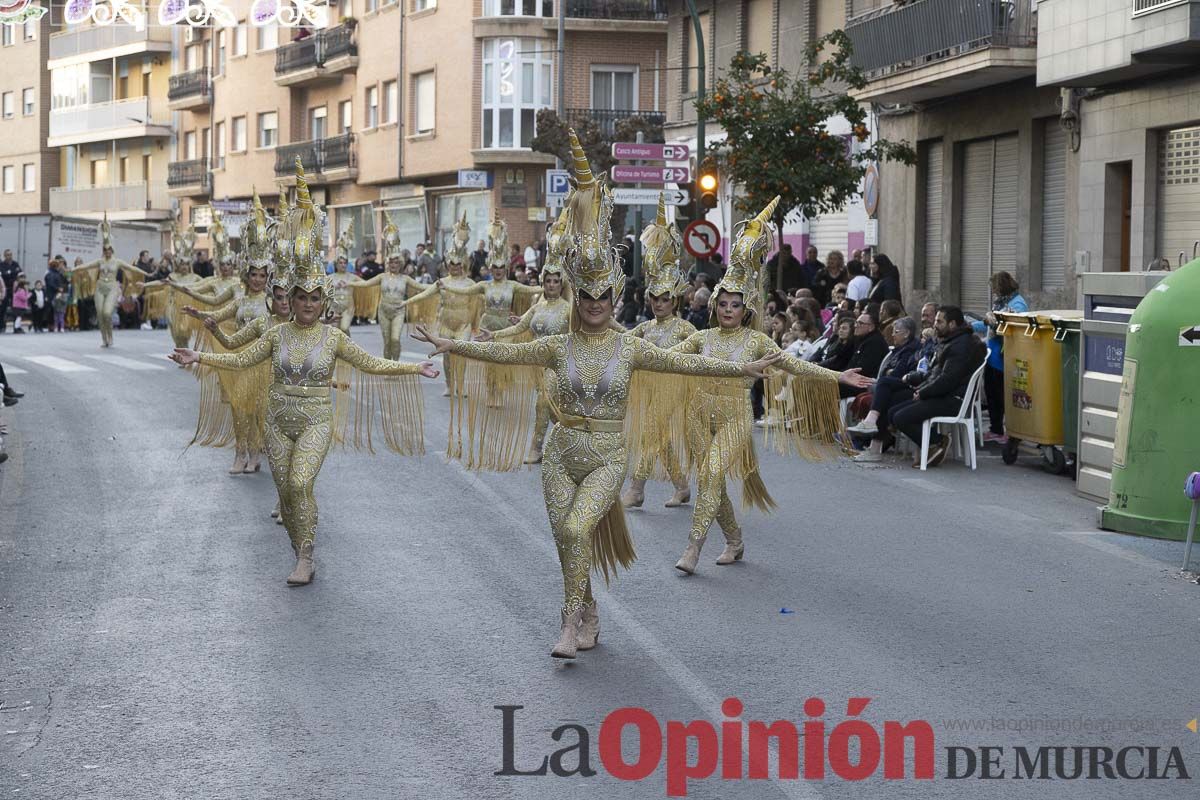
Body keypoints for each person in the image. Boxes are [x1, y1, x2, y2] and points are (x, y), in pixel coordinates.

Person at [413, 134, 786, 658]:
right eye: (585, 295)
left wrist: (743, 366)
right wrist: (451, 343)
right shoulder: (555, 344)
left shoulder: (630, 347)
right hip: (561, 455)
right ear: (576, 295)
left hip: (608, 455)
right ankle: (583, 612)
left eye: (602, 295)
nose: (592, 303)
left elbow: (685, 360)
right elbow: (506, 354)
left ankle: (571, 619)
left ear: (615, 296)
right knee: (568, 538)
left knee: (576, 525)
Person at [171, 158, 440, 586]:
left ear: (323, 303)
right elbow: (242, 359)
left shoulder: (333, 339)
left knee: (299, 484)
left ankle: (308, 554)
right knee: (285, 490)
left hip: (315, 420)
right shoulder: (276, 335)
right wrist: (200, 357)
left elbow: (371, 363)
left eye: (316, 299)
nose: (308, 305)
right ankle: (299, 549)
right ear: (290, 300)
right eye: (301, 298)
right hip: (277, 419)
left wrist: (413, 367)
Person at [666, 196, 869, 575]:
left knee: (711, 474)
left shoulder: (757, 342)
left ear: (747, 309)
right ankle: (734, 539)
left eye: (735, 304)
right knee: (712, 481)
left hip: (734, 415)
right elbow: (668, 358)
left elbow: (793, 365)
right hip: (697, 412)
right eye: (723, 303)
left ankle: (693, 548)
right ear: (714, 305)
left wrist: (837, 376)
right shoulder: (701, 336)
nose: (728, 309)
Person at [179, 194, 276, 475]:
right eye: (254, 275)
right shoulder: (241, 301)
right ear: (246, 275)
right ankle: (240, 452)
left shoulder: (272, 302)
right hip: (241, 360)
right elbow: (217, 315)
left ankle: (256, 452)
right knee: (238, 407)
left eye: (262, 275)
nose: (258, 279)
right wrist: (199, 316)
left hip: (266, 364)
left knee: (259, 409)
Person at [474, 206, 574, 465]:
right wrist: (493, 337)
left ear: (561, 284)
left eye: (555, 281)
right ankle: (573, 439)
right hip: (537, 365)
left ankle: (536, 448)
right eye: (548, 281)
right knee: (552, 410)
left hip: (558, 366)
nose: (551, 285)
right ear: (543, 282)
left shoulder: (569, 310)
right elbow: (518, 328)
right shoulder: (537, 307)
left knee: (542, 404)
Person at [620, 194, 698, 510]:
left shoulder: (684, 329)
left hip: (675, 389)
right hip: (650, 389)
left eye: (664, 299)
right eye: (654, 298)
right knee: (658, 437)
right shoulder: (647, 327)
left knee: (649, 433)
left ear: (674, 301)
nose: (658, 303)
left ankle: (636, 489)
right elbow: (623, 337)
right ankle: (681, 486)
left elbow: (700, 351)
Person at [858, 306, 986, 468]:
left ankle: (938, 441)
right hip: (939, 393)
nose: (935, 325)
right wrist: (917, 383)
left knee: (900, 417)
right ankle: (875, 446)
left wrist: (923, 392)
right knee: (892, 411)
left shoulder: (960, 346)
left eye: (939, 321)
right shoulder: (949, 341)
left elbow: (947, 380)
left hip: (953, 399)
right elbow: (934, 373)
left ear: (952, 324)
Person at [439, 213, 541, 333]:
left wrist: (551, 286)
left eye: (501, 267)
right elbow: (464, 291)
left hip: (506, 329)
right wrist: (445, 286)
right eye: (495, 267)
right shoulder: (484, 285)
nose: (498, 270)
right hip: (485, 327)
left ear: (506, 268)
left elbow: (532, 289)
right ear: (490, 268)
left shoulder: (513, 285)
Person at [70, 216, 158, 347]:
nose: (107, 252)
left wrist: (147, 273)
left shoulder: (117, 262)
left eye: (109, 250)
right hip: (100, 288)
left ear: (112, 250)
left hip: (112, 288)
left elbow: (132, 268)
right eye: (105, 250)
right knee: (100, 314)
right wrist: (73, 269)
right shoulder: (99, 261)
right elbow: (86, 266)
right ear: (103, 251)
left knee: (106, 313)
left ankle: (110, 336)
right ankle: (104, 338)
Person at [846, 316, 923, 462]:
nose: (892, 334)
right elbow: (888, 371)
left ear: (906, 333)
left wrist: (888, 375)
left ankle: (870, 438)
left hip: (912, 387)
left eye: (896, 331)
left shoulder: (912, 349)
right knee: (885, 394)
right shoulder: (899, 349)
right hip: (897, 387)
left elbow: (897, 374)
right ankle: (871, 443)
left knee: (885, 389)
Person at [350, 223, 432, 361]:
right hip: (383, 311)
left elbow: (421, 287)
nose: (394, 265)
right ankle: (389, 365)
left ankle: (396, 363)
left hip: (399, 311)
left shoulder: (405, 279)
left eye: (396, 263)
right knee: (387, 341)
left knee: (395, 339)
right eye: (391, 263)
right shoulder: (382, 277)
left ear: (400, 264)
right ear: (388, 264)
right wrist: (347, 283)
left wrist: (437, 286)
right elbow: (364, 284)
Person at [971, 270, 1028, 444]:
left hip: (1003, 357)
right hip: (993, 356)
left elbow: (1008, 325)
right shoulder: (1001, 302)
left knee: (1001, 396)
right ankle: (996, 428)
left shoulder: (1017, 304)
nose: (993, 291)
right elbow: (988, 325)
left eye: (995, 287)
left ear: (1002, 286)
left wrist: (989, 322)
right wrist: (971, 325)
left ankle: (1006, 431)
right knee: (992, 394)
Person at [839, 312, 889, 398]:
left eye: (860, 323)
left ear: (871, 327)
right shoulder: (861, 339)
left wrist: (841, 376)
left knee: (827, 386)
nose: (856, 325)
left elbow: (863, 370)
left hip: (863, 383)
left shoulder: (875, 343)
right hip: (852, 379)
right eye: (856, 322)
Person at [0, 250, 20, 333]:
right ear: (4, 256)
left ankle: (16, 327)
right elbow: (2, 276)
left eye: (10, 254)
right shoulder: (1, 265)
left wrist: (16, 280)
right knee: (2, 309)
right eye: (7, 255)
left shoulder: (15, 264)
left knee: (16, 309)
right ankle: (1, 326)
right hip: (4, 290)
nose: (9, 256)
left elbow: (20, 274)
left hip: (14, 290)